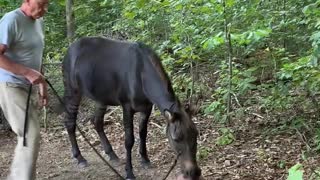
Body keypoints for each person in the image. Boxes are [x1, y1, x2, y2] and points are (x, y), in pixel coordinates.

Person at [0, 0, 49, 179]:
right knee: (30, 134)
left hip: (28, 87)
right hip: (10, 85)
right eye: (41, 4)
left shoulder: (39, 22)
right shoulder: (11, 20)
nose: (45, 9)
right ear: (27, 1)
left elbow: (36, 57)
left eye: (47, 4)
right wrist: (26, 72)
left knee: (30, 136)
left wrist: (42, 84)